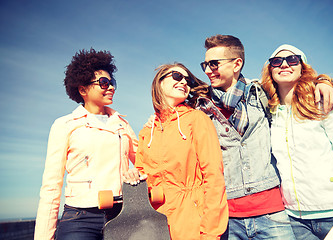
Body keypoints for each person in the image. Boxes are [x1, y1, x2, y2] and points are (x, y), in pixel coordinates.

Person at [195, 34, 333, 240]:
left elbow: (290, 80)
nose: (208, 70)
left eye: (214, 64)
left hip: (273, 215)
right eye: (205, 65)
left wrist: (323, 81)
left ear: (237, 64)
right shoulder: (202, 105)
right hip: (228, 217)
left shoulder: (262, 94)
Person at [34, 49, 138, 240]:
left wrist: (137, 173)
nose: (111, 87)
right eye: (104, 83)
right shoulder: (64, 125)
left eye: (112, 82)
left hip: (121, 215)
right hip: (79, 219)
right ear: (82, 89)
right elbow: (51, 186)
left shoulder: (122, 124)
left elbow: (145, 161)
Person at [261, 44, 333, 240]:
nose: (284, 64)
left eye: (292, 60)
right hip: (294, 219)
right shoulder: (268, 111)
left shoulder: (323, 100)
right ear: (270, 69)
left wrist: (323, 81)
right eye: (276, 61)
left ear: (302, 67)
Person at [124, 63, 228, 240]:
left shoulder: (197, 119)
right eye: (177, 76)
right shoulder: (147, 131)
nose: (185, 82)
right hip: (156, 226)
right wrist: (133, 176)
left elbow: (214, 177)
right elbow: (142, 175)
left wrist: (210, 232)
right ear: (159, 83)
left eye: (187, 80)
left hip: (193, 221)